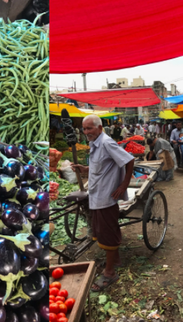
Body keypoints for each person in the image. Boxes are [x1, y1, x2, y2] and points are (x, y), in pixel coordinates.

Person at [71, 115, 135, 291]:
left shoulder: (107, 142)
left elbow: (129, 160)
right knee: (103, 231)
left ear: (99, 128)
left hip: (106, 197)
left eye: (89, 128)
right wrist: (85, 169)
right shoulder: (95, 143)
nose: (86, 132)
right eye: (84, 129)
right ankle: (115, 260)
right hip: (96, 195)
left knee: (107, 233)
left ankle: (110, 273)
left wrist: (123, 185)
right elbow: (103, 166)